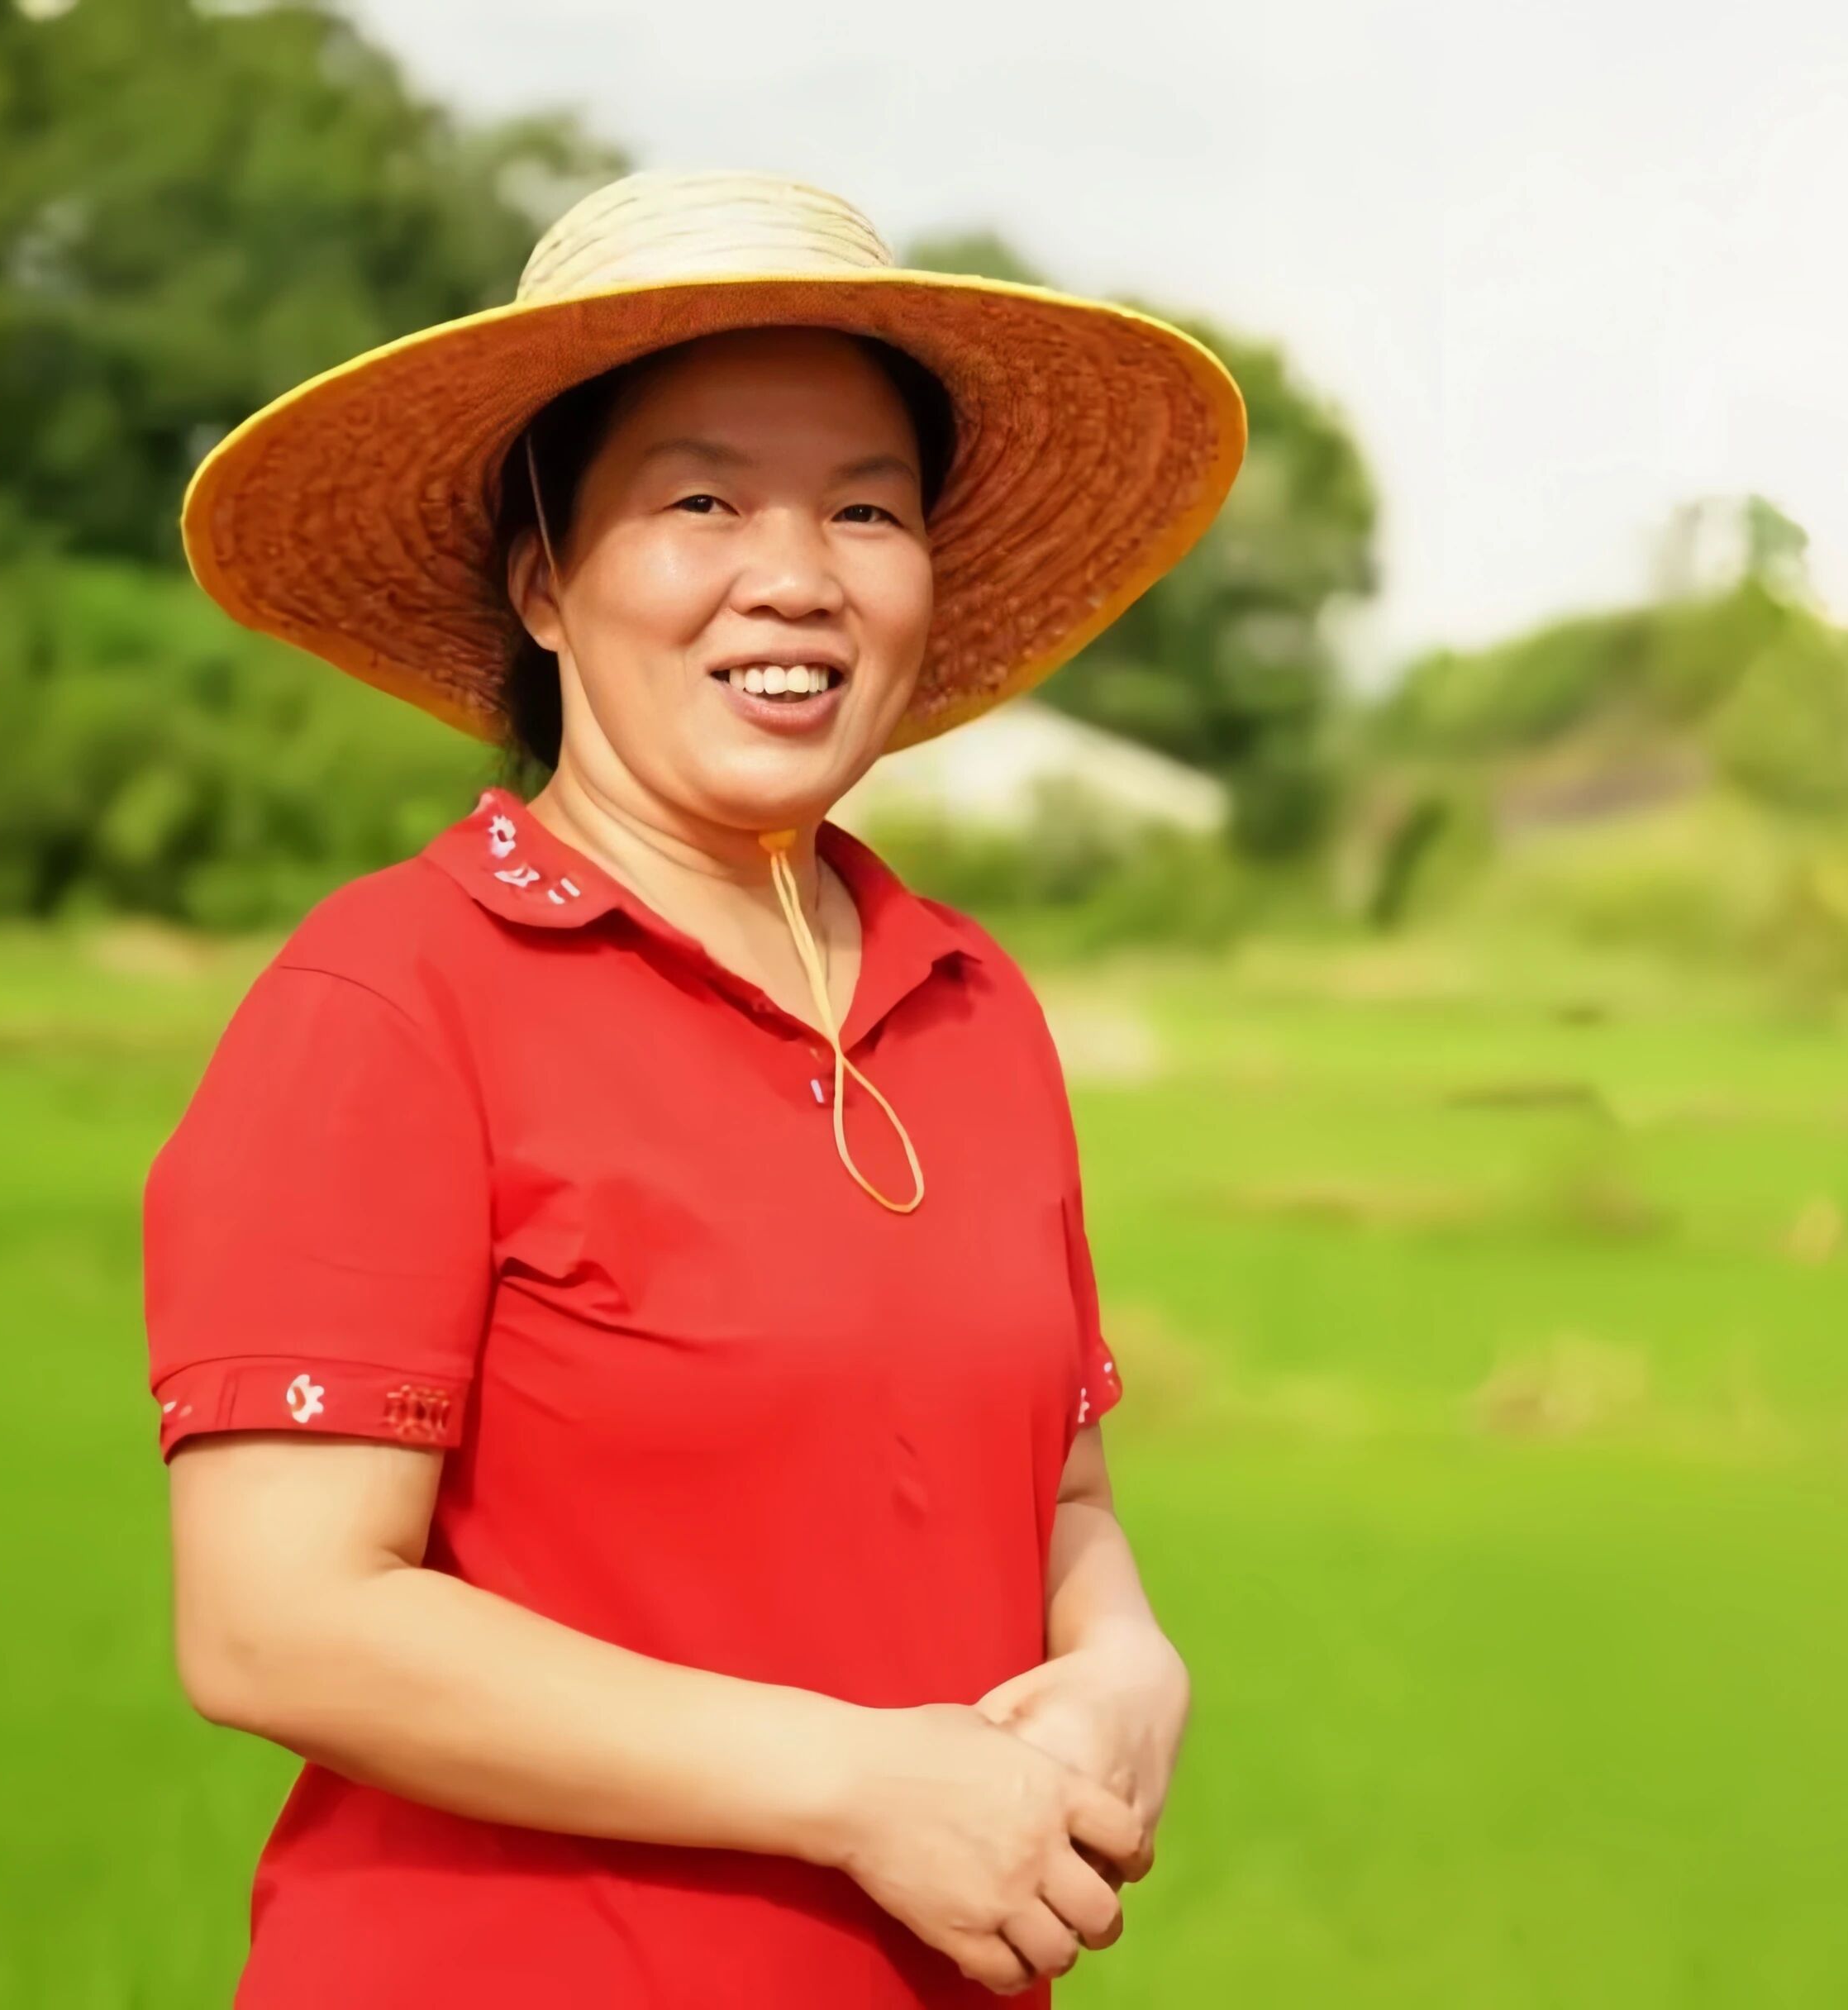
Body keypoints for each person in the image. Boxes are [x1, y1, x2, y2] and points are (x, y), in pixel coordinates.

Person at [145, 170, 1246, 2006]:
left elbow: (1055, 1494)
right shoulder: (395, 997)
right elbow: (278, 1619)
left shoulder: (971, 1005)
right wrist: (858, 1787)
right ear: (544, 582)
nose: (796, 575)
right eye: (702, 500)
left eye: (866, 509)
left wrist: (1132, 1662)